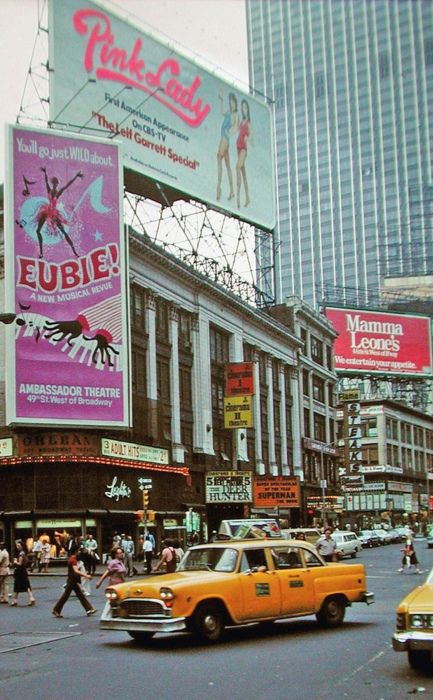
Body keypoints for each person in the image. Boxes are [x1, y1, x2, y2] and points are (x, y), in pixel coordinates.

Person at [35, 167, 83, 258]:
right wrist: (45, 173)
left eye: (55, 183)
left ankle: (75, 252)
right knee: (38, 230)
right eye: (53, 183)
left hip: (53, 214)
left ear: (57, 184)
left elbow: (67, 186)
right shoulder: (49, 190)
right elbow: (46, 182)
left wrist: (76, 177)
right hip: (46, 211)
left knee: (64, 232)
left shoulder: (58, 192)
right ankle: (41, 253)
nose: (54, 184)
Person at [52, 546, 96, 618]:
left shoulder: (74, 559)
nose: (79, 552)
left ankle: (89, 609)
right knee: (66, 596)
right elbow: (76, 570)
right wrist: (86, 575)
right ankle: (56, 609)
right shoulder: (73, 559)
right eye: (78, 551)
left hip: (73, 579)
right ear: (75, 551)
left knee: (80, 595)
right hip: (72, 580)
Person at [216, 90, 238, 202]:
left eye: (233, 102)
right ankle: (232, 190)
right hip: (224, 138)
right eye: (230, 102)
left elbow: (236, 126)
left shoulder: (234, 115)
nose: (231, 104)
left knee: (219, 158)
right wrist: (221, 100)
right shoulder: (229, 112)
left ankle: (218, 188)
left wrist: (229, 132)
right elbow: (221, 112)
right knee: (227, 164)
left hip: (225, 138)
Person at [236, 98, 252, 209]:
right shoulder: (242, 121)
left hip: (243, 149)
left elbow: (250, 135)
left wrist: (247, 138)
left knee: (237, 167)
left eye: (245, 107)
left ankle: (237, 196)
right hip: (238, 147)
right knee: (244, 174)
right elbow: (238, 129)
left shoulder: (248, 123)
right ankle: (247, 198)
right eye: (243, 107)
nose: (244, 109)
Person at [11, 540, 35, 607]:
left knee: (17, 585)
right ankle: (31, 598)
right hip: (23, 570)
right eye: (17, 545)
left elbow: (20, 563)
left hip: (20, 571)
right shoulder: (24, 553)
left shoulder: (21, 554)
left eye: (18, 546)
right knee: (26, 584)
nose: (17, 547)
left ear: (22, 546)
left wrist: (15, 561)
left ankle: (15, 600)